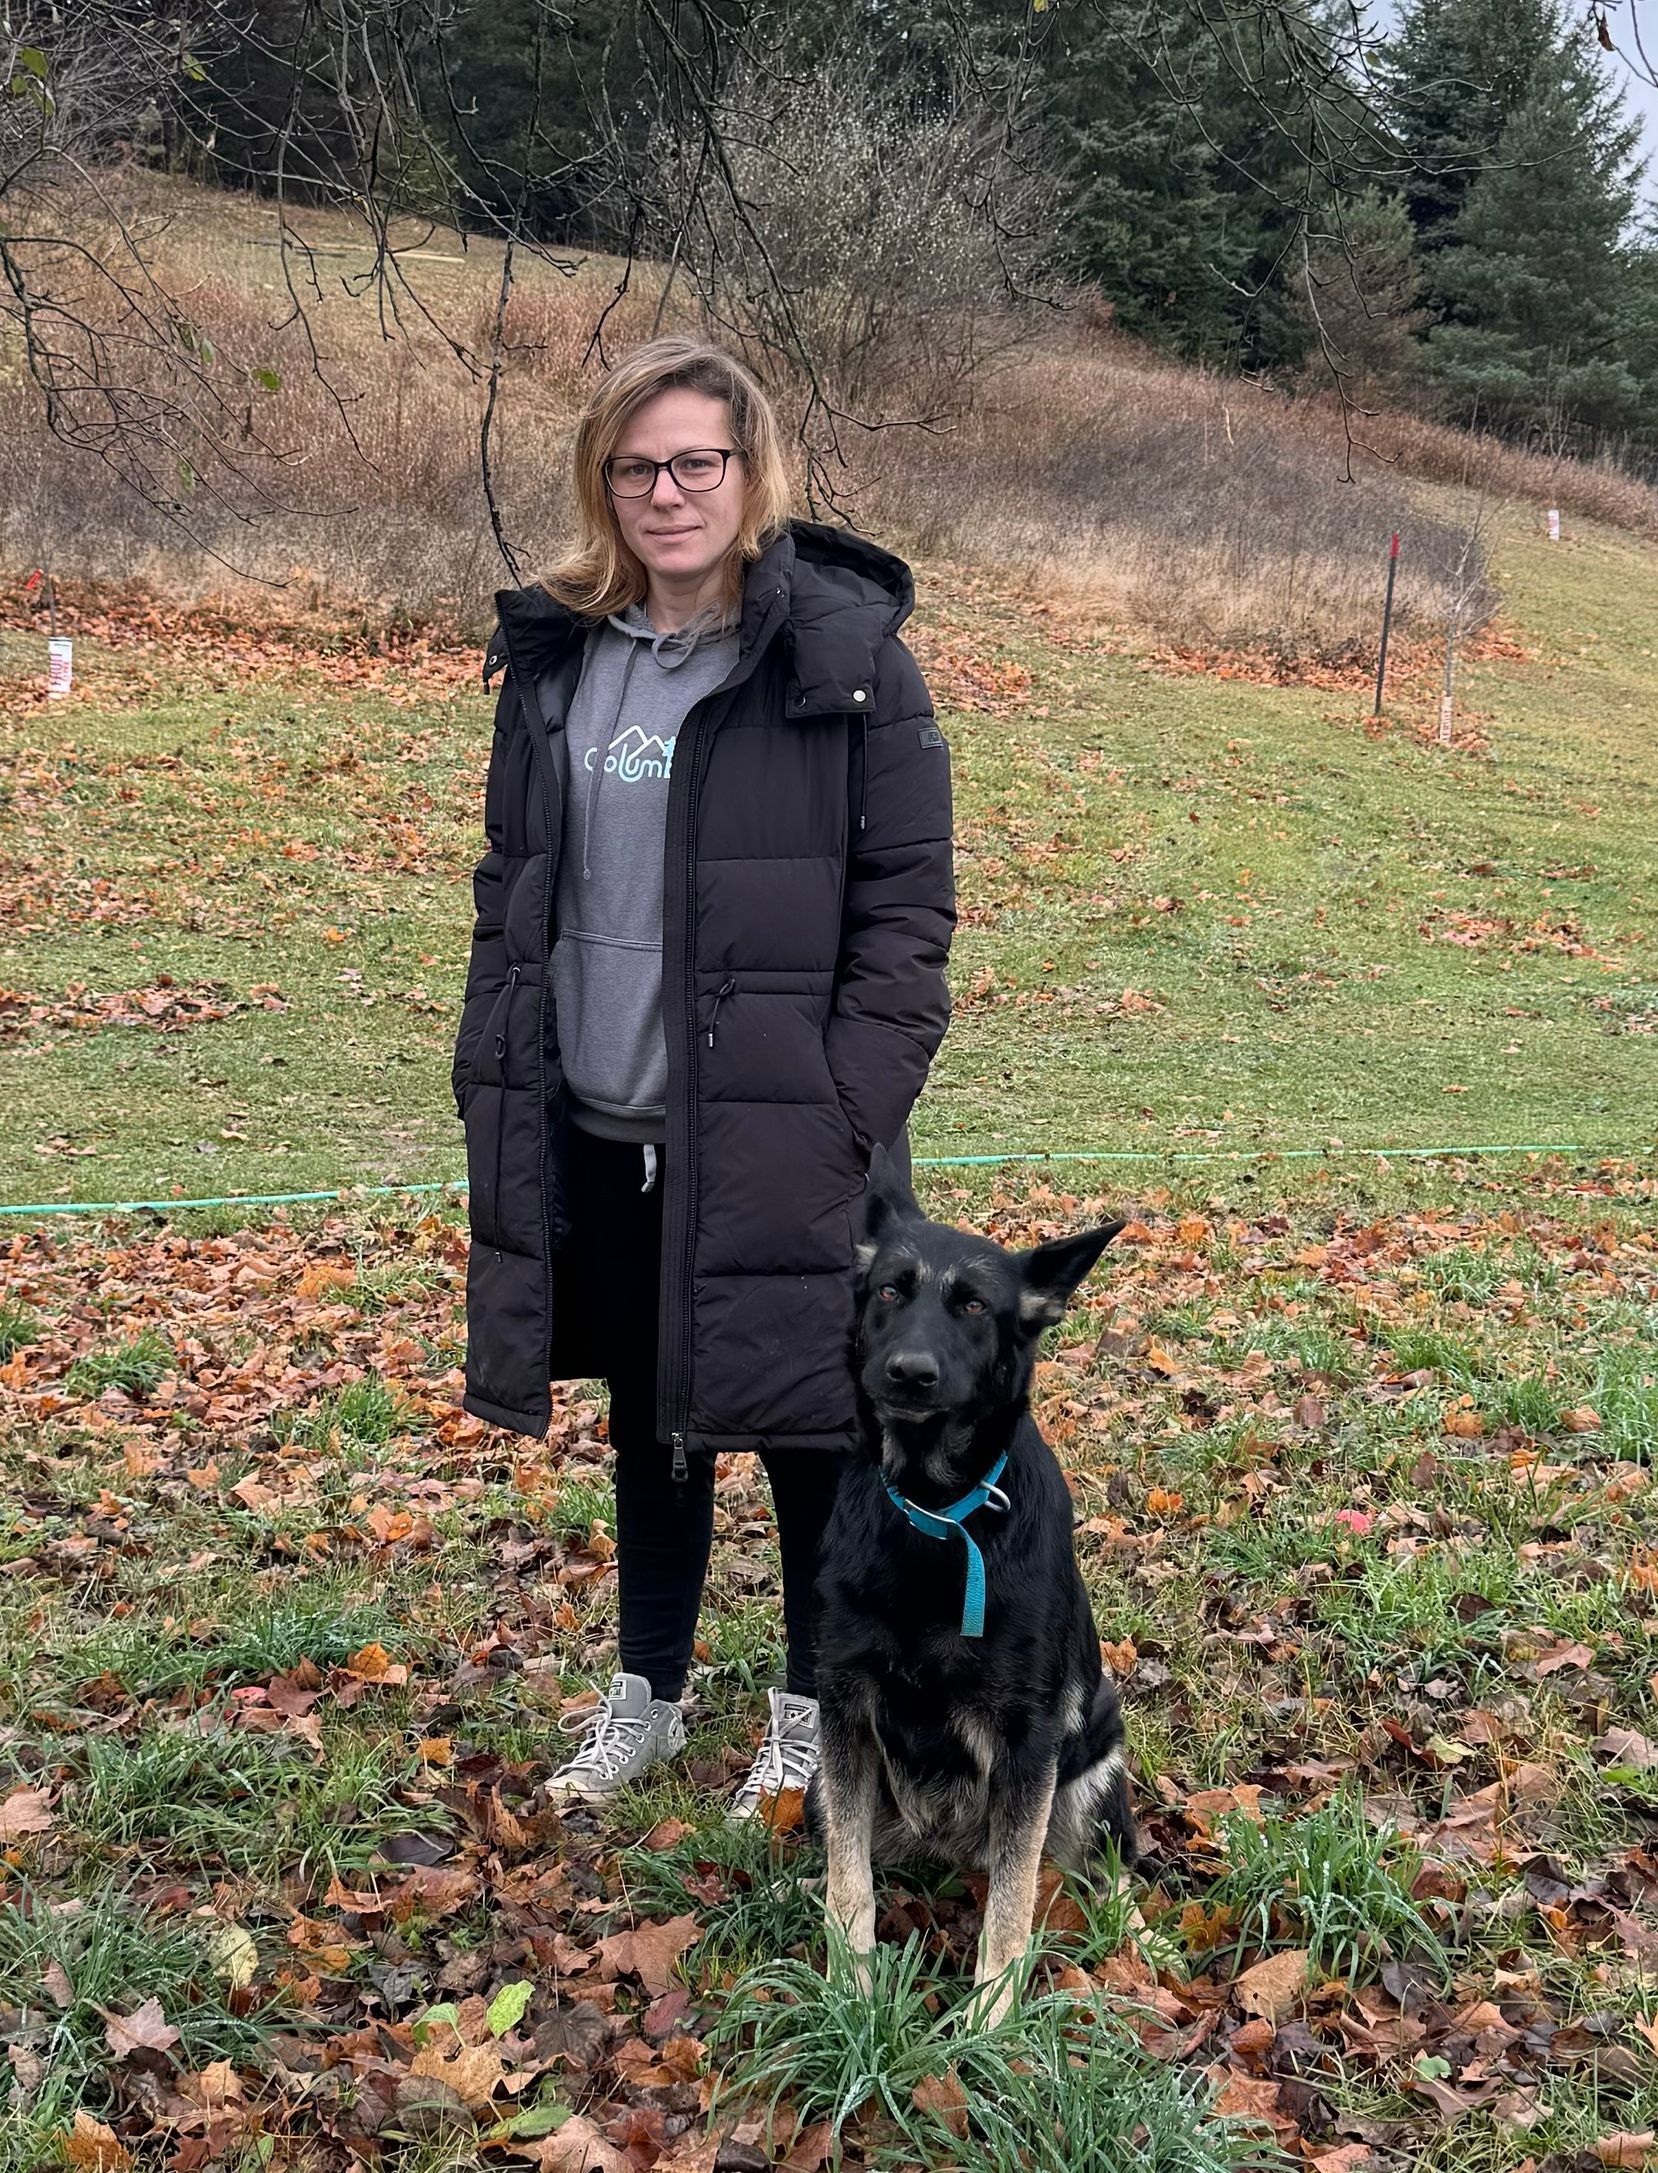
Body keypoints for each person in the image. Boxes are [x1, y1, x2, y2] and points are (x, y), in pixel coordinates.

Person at [451, 335, 954, 1817]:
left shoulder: (843, 663)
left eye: (695, 463)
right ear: (602, 486)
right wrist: (499, 1054)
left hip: (779, 1140)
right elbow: (511, 882)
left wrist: (843, 1113)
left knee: (805, 1429)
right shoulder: (560, 660)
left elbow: (908, 919)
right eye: (634, 467)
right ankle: (647, 1696)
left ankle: (808, 1710)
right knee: (648, 1419)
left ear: (749, 474)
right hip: (598, 1121)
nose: (666, 493)